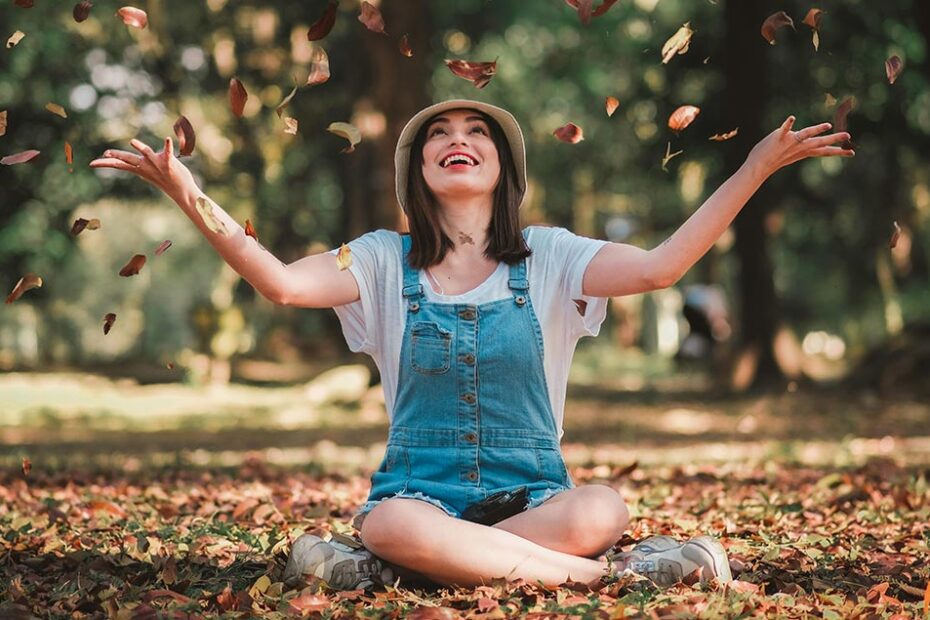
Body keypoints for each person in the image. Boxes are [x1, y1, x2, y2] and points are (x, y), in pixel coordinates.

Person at [89, 98, 853, 591]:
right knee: (390, 521)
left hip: (537, 501)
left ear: (502, 168)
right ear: (420, 172)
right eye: (440, 137)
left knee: (602, 505)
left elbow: (663, 267)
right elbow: (282, 283)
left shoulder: (551, 257)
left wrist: (755, 167)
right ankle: (607, 579)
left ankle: (401, 572)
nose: (459, 140)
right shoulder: (382, 260)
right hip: (420, 497)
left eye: (476, 132)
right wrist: (188, 193)